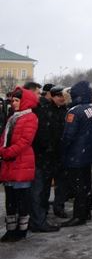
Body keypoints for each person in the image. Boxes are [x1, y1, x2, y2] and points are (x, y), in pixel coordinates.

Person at [59, 81, 92, 227]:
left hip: (75, 155)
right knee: (86, 185)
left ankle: (79, 215)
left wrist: (63, 151)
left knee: (78, 187)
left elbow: (68, 136)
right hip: (89, 154)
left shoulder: (74, 111)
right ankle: (86, 211)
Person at [0, 87, 38, 242]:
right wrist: (2, 149)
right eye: (13, 100)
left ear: (25, 101)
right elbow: (4, 136)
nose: (14, 103)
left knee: (22, 198)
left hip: (22, 162)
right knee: (10, 199)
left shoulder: (30, 117)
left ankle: (21, 230)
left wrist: (8, 152)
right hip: (10, 163)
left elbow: (25, 141)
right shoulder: (12, 117)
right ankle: (10, 229)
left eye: (17, 100)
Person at [30, 85, 67, 233]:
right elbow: (42, 134)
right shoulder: (44, 110)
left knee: (56, 186)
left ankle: (49, 213)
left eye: (63, 97)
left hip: (57, 155)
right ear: (52, 96)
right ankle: (39, 219)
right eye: (59, 96)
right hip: (44, 156)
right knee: (42, 189)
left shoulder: (63, 110)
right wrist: (48, 148)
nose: (62, 99)